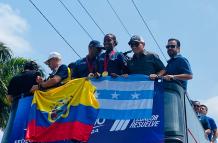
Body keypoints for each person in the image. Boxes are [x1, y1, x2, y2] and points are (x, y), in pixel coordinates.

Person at [1, 61, 41, 143]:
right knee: (27, 129)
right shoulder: (36, 74)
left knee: (11, 127)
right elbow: (41, 86)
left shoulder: (15, 78)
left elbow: (9, 98)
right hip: (30, 102)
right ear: (35, 68)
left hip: (16, 103)